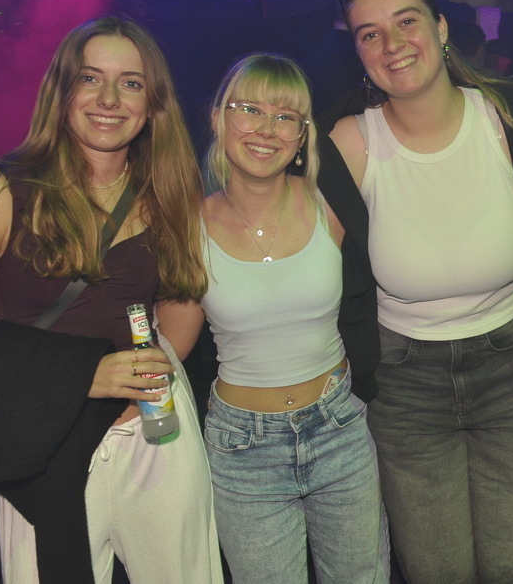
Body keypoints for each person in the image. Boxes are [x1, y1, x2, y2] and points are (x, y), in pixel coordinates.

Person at [0, 16, 222, 583]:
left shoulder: (170, 195)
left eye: (131, 83)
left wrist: (150, 378)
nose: (109, 99)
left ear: (152, 103)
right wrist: (87, 375)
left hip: (155, 438)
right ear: (61, 90)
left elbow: (180, 310)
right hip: (42, 445)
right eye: (90, 78)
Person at [318, 0, 513, 584]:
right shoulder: (348, 142)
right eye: (370, 33)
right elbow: (302, 253)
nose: (392, 44)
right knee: (437, 570)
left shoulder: (511, 116)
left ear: (442, 27)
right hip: (404, 384)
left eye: (407, 21)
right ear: (358, 51)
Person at [156, 53, 389, 583]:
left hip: (339, 428)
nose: (266, 129)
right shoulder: (187, 227)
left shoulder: (333, 204)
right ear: (217, 118)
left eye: (286, 116)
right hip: (242, 448)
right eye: (250, 110)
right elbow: (170, 346)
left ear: (303, 135)